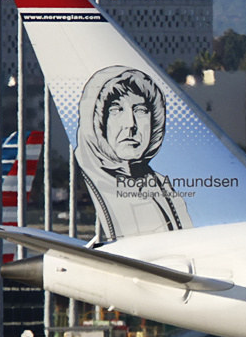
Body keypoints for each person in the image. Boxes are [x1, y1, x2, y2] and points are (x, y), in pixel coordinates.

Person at [75, 66, 192, 239]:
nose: (130, 124)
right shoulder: (88, 181)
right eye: (116, 110)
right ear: (97, 122)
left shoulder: (161, 185)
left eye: (140, 111)